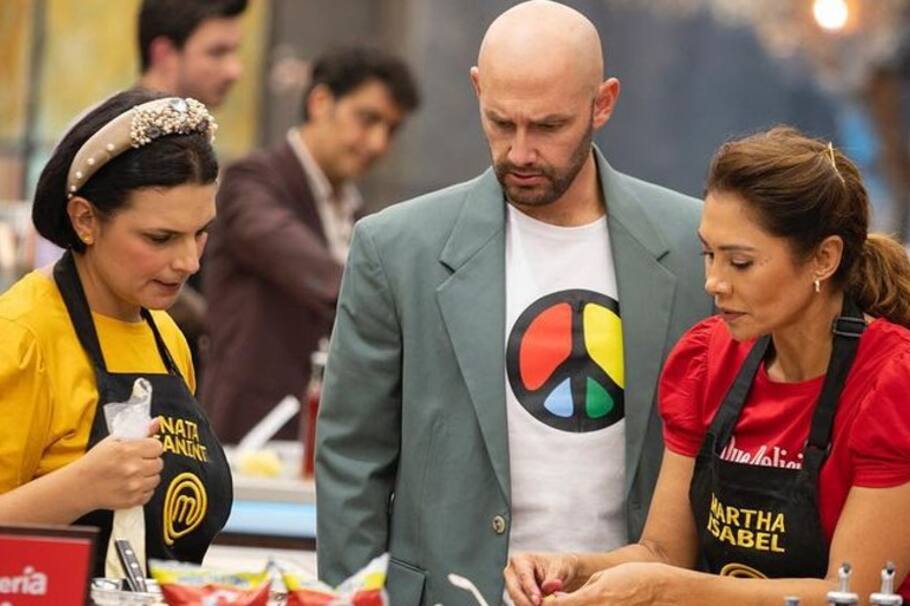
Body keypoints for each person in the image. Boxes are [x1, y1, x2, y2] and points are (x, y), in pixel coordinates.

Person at [315, 3, 712, 605]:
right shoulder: (397, 249)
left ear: (602, 104)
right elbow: (351, 463)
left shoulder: (695, 245)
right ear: (477, 88)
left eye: (548, 127)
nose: (520, 152)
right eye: (501, 122)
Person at [505, 126, 910, 606]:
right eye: (708, 255)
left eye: (740, 263)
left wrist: (666, 591)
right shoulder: (705, 360)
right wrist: (574, 567)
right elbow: (662, 552)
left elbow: (851, 595)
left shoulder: (892, 382)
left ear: (824, 258)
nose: (714, 282)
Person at [0, 89, 232, 576]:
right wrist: (80, 487)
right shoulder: (22, 336)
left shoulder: (166, 337)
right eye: (160, 238)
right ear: (85, 220)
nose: (189, 262)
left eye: (201, 233)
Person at [202, 46, 420, 443]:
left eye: (391, 129)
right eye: (367, 119)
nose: (377, 143)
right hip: (246, 436)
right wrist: (405, 310)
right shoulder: (251, 182)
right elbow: (308, 267)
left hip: (322, 440)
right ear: (320, 101)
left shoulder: (355, 212)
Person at [138, 0, 247, 109]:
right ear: (165, 55)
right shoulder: (126, 124)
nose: (234, 71)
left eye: (234, 51)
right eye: (217, 53)